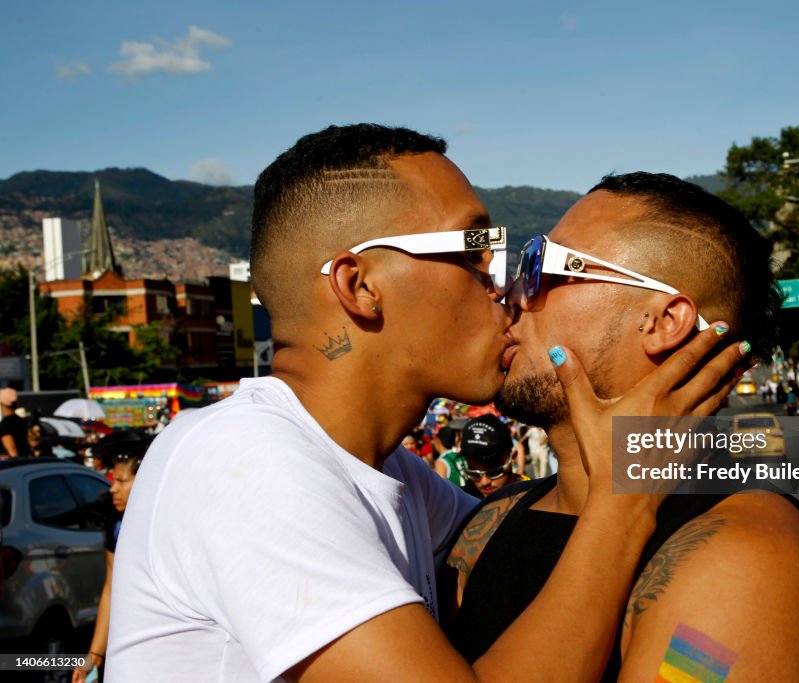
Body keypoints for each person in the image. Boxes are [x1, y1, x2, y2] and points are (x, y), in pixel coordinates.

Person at [107, 125, 749, 682]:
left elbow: (520, 540)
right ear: (360, 287)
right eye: (474, 250)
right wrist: (623, 497)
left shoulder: (386, 473)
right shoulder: (244, 463)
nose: (505, 284)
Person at [447, 173, 799, 681]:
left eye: (542, 266)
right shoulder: (489, 523)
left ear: (663, 321)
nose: (512, 293)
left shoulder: (749, 560)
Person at [73, 434, 152, 683]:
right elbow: (111, 587)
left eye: (121, 480)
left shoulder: (168, 522)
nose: (112, 488)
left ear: (144, 482)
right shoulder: (116, 523)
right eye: (112, 480)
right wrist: (94, 655)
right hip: (130, 640)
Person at [458, 415, 527, 499]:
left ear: (511, 456)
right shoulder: (463, 499)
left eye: (494, 471)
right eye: (474, 473)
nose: (484, 482)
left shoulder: (531, 495)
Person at [0, 388, 30, 459]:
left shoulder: (5, 424)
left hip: (13, 465)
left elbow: (12, 450)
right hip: (25, 461)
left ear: (1, 403)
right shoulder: (23, 421)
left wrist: (17, 462)